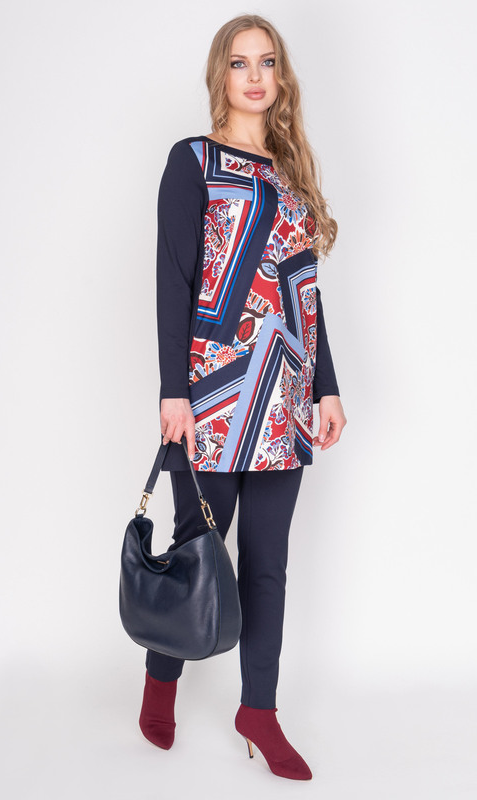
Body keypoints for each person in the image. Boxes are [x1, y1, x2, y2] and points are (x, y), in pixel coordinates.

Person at [139, 14, 346, 781]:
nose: (254, 76)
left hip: (284, 399)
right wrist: (174, 392)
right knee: (197, 553)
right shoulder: (192, 162)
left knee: (267, 566)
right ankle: (161, 682)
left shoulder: (292, 174)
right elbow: (174, 283)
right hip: (215, 397)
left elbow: (304, 296)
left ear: (280, 76)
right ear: (219, 75)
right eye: (239, 63)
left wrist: (326, 387)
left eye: (266, 62)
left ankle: (259, 709)